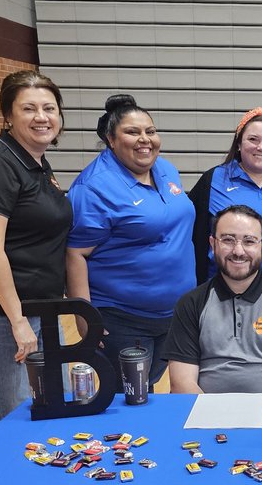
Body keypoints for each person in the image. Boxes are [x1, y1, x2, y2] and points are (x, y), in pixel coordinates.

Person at [0, 70, 71, 426]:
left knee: (58, 402)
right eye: (29, 109)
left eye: (49, 108)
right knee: (15, 412)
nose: (42, 117)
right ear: (8, 116)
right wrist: (17, 321)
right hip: (2, 313)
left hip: (41, 307)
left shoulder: (36, 163)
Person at [66, 94, 194, 386]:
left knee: (147, 389)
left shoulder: (165, 169)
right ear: (111, 139)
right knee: (129, 399)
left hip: (173, 315)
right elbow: (75, 254)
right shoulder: (95, 187)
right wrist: (86, 321)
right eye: (132, 132)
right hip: (123, 319)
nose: (144, 139)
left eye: (150, 131)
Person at [166, 205, 262, 394]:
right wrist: (212, 420)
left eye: (249, 241)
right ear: (213, 245)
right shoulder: (190, 304)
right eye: (228, 240)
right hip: (207, 416)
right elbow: (181, 382)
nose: (238, 251)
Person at [189, 108, 262, 287]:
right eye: (253, 139)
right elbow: (187, 233)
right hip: (222, 295)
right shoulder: (213, 180)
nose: (261, 147)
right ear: (239, 143)